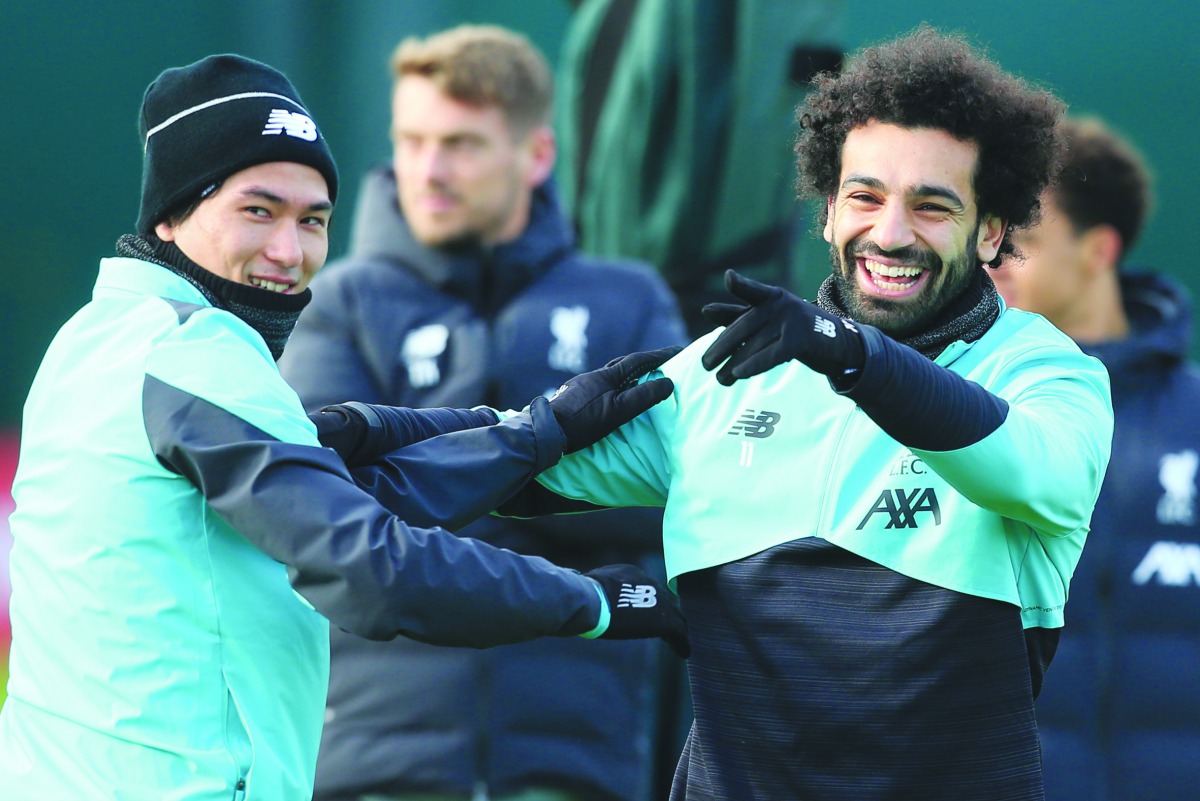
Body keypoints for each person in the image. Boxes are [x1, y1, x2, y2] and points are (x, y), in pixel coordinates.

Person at [0, 53, 688, 800]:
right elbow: (373, 566)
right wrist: (605, 602)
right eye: (257, 210)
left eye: (313, 220)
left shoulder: (94, 337)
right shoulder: (198, 350)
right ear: (170, 212)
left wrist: (526, 431)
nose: (290, 254)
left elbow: (329, 479)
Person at [499, 26, 1115, 800]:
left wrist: (850, 353)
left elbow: (1034, 465)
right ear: (827, 210)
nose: (890, 234)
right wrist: (356, 433)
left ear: (991, 231)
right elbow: (511, 466)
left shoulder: (1045, 370)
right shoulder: (737, 365)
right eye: (865, 196)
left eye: (932, 206)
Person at [280, 25, 690, 801]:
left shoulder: (628, 299)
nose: (428, 170)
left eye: (461, 143)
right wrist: (544, 447)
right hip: (374, 768)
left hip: (579, 762)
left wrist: (438, 479)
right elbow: (325, 511)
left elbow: (670, 499)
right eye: (412, 140)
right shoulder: (338, 301)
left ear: (536, 156)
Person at [992, 116, 1200, 801]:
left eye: (1021, 242)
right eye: (991, 240)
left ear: (1098, 249)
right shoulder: (959, 411)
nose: (995, 262)